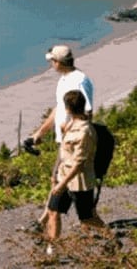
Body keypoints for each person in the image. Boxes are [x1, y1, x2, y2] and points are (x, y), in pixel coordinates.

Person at [25, 45, 94, 230]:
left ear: (58, 62)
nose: (50, 64)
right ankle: (46, 222)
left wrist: (72, 132)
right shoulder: (64, 80)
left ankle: (47, 223)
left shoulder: (79, 81)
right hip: (64, 141)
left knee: (61, 182)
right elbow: (58, 109)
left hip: (72, 143)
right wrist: (40, 133)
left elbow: (87, 112)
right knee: (56, 180)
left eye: (52, 61)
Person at [45, 90, 107, 252]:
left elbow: (79, 163)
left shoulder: (84, 131)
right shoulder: (71, 124)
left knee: (87, 218)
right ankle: (53, 247)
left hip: (80, 182)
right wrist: (56, 175)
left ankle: (111, 238)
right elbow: (64, 153)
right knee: (53, 211)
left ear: (68, 108)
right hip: (63, 176)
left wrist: (61, 184)